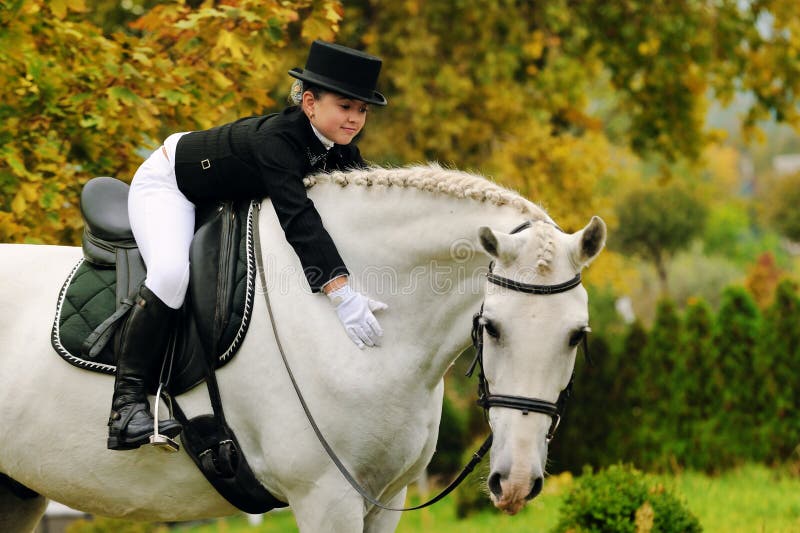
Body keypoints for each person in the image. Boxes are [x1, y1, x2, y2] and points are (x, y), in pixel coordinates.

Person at [108, 40, 389, 451]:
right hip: (169, 184)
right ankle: (126, 407)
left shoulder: (339, 149)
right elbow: (299, 219)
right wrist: (341, 293)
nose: (355, 119)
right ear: (310, 103)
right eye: (346, 106)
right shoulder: (277, 141)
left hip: (217, 191)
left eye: (362, 110)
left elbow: (367, 198)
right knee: (170, 274)